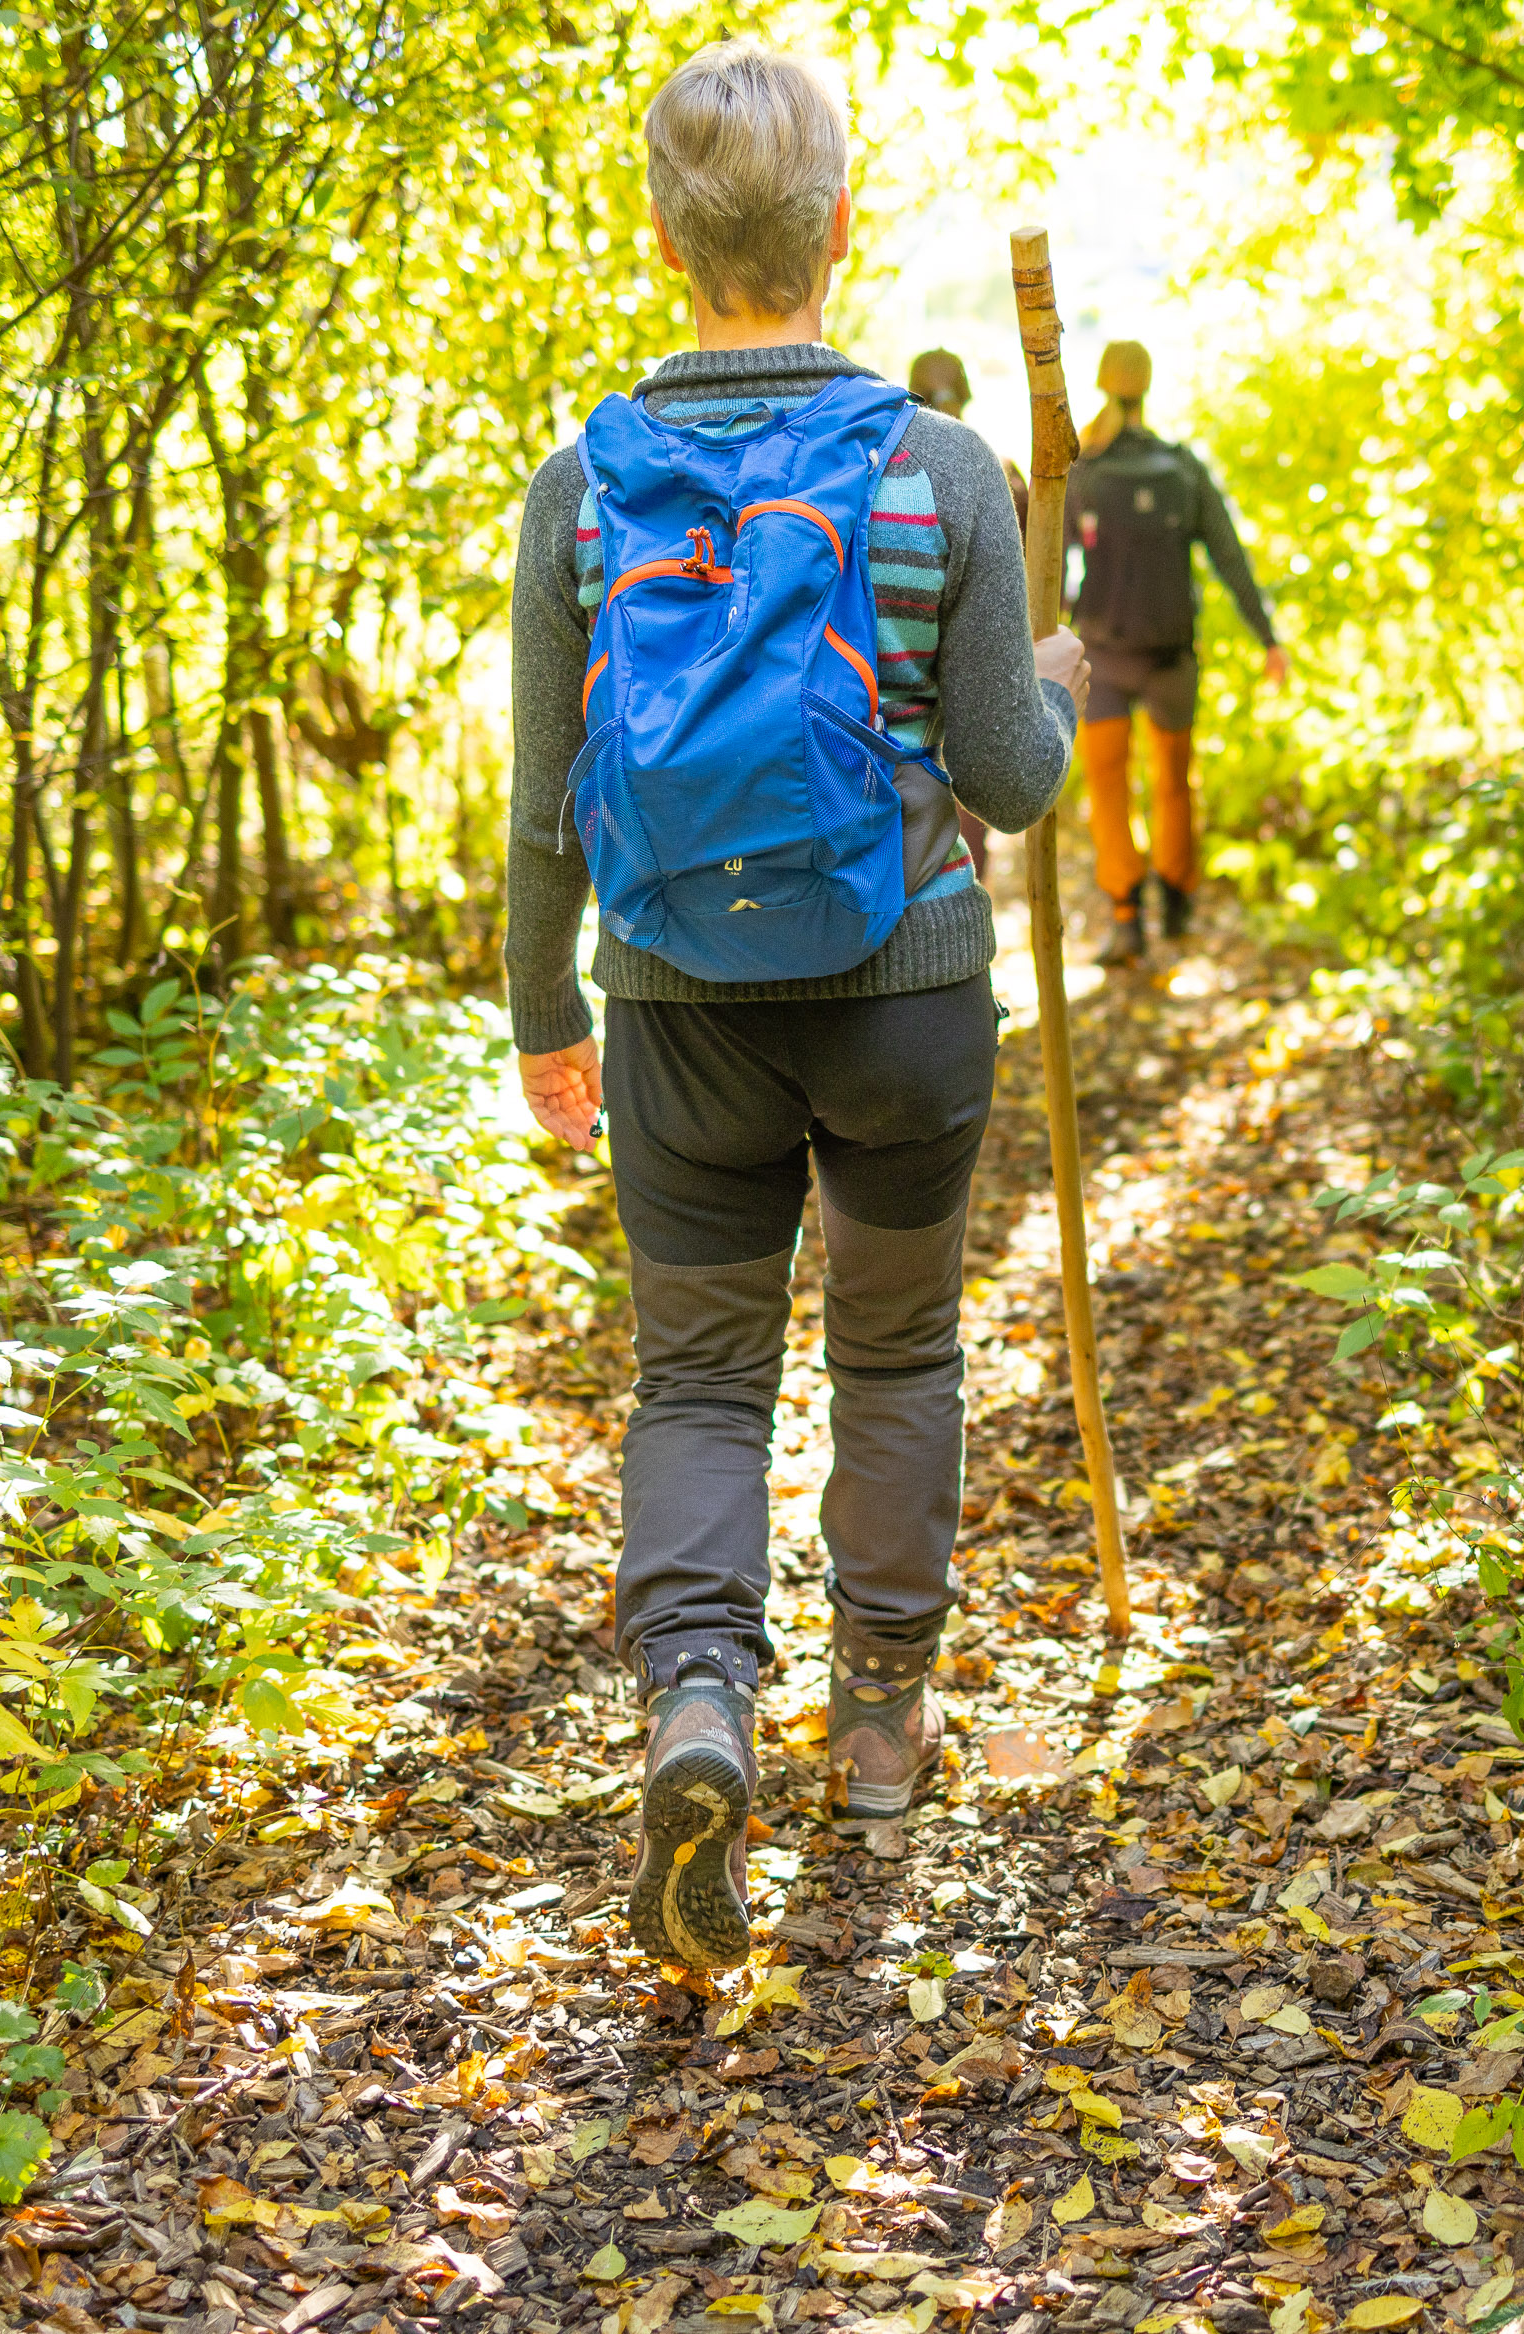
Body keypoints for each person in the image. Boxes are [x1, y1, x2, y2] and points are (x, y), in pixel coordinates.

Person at [504, 44, 1086, 1970]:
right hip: (907, 994)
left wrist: (542, 1011)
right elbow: (1009, 778)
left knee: (697, 1375)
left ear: (665, 237)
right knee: (897, 1350)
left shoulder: (584, 490)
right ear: (842, 224)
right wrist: (1057, 677)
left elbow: (544, 798)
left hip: (680, 1005)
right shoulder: (938, 469)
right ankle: (884, 1722)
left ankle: (698, 1705)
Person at [1066, 341, 1289, 963]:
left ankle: (1125, 915)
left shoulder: (1084, 472)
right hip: (1171, 656)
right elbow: (1229, 555)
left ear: (1103, 385)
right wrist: (1268, 637)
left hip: (1103, 657)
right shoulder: (1183, 469)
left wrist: (1046, 636)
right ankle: (1176, 900)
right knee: (1173, 783)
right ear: (1147, 387)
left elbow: (1051, 566)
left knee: (1109, 786)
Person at [905, 349, 1033, 882]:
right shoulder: (999, 474)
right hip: (983, 663)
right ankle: (971, 883)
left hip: (904, 683)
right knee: (977, 788)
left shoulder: (881, 474)